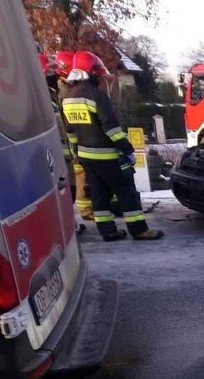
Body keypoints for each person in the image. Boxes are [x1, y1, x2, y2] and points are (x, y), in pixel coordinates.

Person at [62, 51, 163, 241]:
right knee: (126, 191)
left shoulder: (67, 97)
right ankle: (139, 229)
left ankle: (108, 231)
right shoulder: (96, 96)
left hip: (86, 156)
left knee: (99, 194)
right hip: (107, 155)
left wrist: (77, 153)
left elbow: (70, 132)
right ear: (91, 72)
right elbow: (111, 128)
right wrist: (127, 148)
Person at [39, 52, 85, 234]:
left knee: (68, 192)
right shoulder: (41, 97)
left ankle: (69, 225)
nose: (55, 74)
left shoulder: (50, 94)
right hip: (52, 157)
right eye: (50, 70)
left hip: (63, 155)